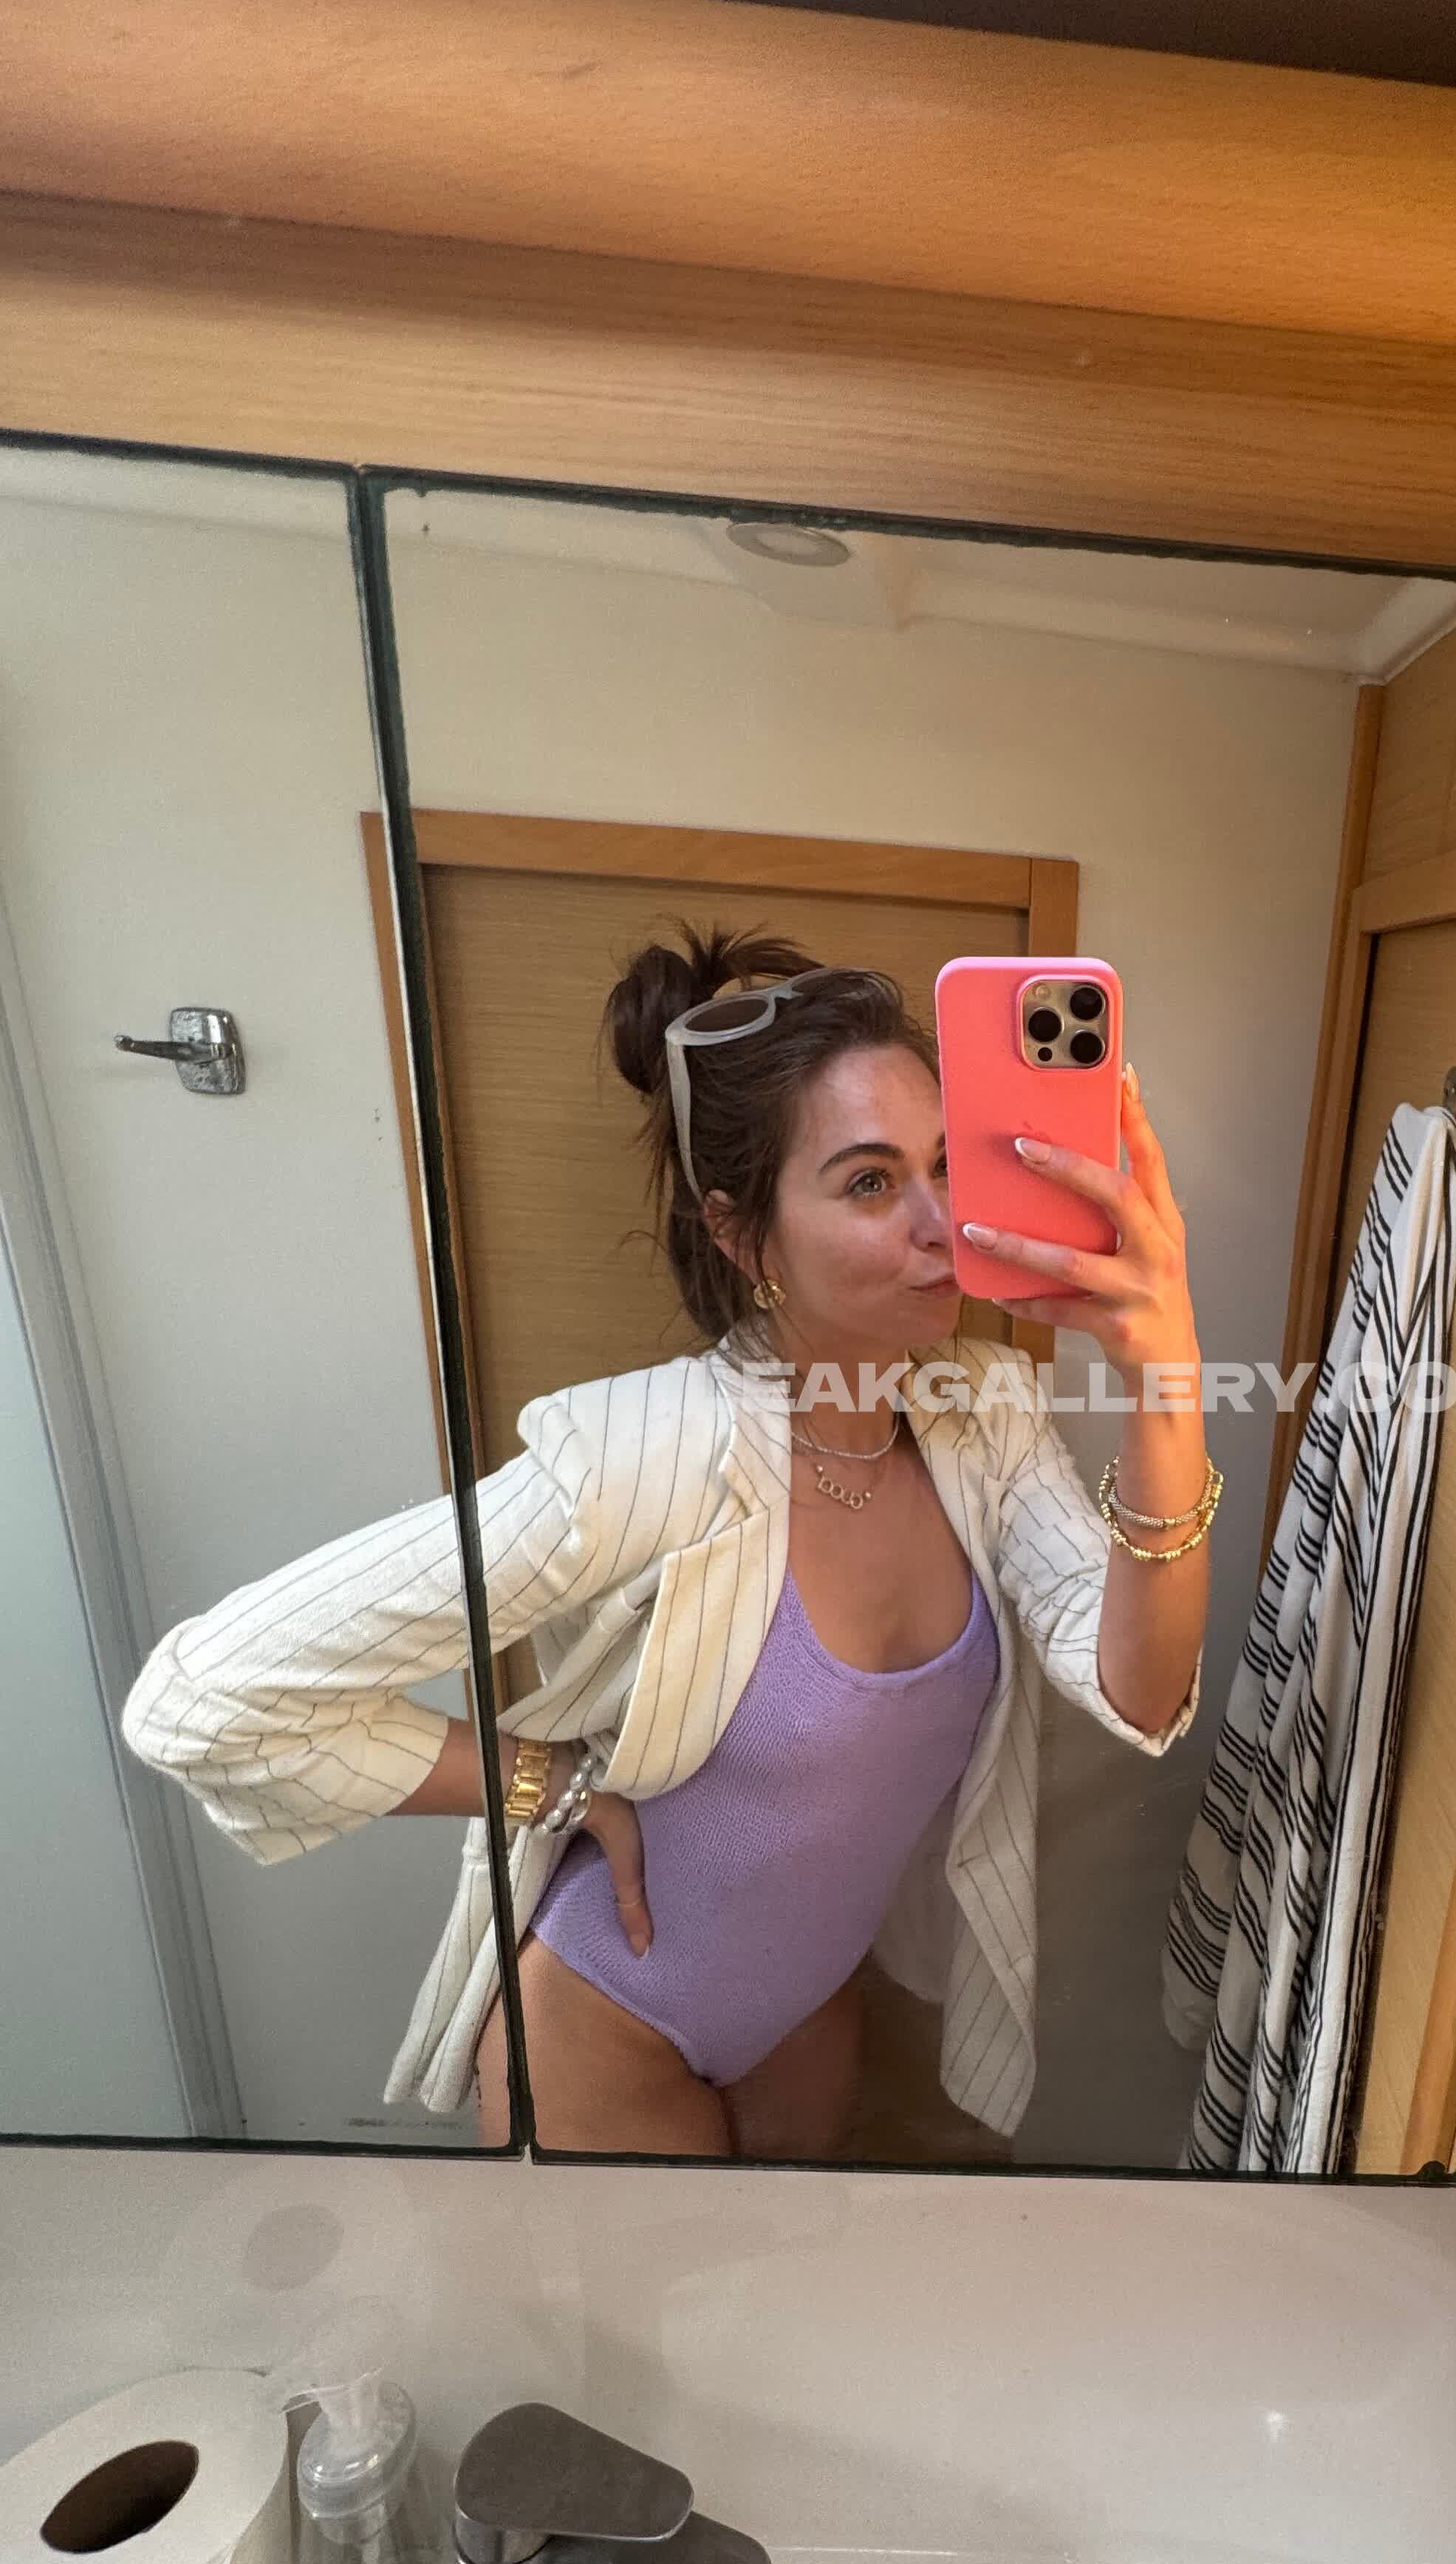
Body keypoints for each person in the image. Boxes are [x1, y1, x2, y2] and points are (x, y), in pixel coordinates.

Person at [121, 925, 1216, 2162]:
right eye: (870, 1183)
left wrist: (1166, 1377)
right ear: (743, 1236)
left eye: (948, 1166)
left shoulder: (988, 1416)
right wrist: (546, 1787)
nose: (940, 1223)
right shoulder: (643, 1458)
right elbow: (202, 1701)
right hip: (608, 2026)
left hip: (813, 2011)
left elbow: (1140, 1686)